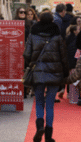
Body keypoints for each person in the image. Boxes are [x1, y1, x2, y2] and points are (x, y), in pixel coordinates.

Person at [23, 11, 68, 142]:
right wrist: (64, 73)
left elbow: (26, 54)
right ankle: (48, 136)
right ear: (52, 20)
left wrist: (31, 64)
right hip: (54, 73)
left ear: (39, 19)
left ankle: (39, 126)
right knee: (50, 104)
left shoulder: (33, 33)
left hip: (38, 72)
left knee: (39, 102)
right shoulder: (57, 34)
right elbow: (63, 56)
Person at [15, 7, 34, 98]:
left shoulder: (29, 24)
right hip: (16, 49)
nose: (23, 13)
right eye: (21, 11)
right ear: (17, 13)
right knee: (16, 70)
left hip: (26, 50)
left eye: (24, 12)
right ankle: (18, 89)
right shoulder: (13, 23)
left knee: (25, 70)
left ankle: (25, 91)